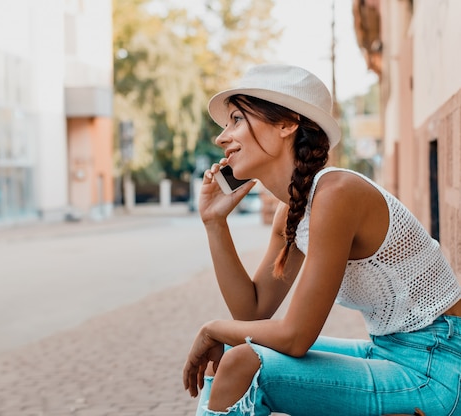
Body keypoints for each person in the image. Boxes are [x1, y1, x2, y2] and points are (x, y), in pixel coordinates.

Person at [182, 63, 461, 416]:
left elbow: (296, 337)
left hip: (437, 370)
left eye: (237, 119)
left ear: (286, 123)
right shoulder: (295, 211)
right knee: (230, 359)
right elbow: (252, 311)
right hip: (390, 351)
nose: (222, 138)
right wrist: (214, 223)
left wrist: (213, 329)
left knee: (241, 363)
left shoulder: (337, 193)